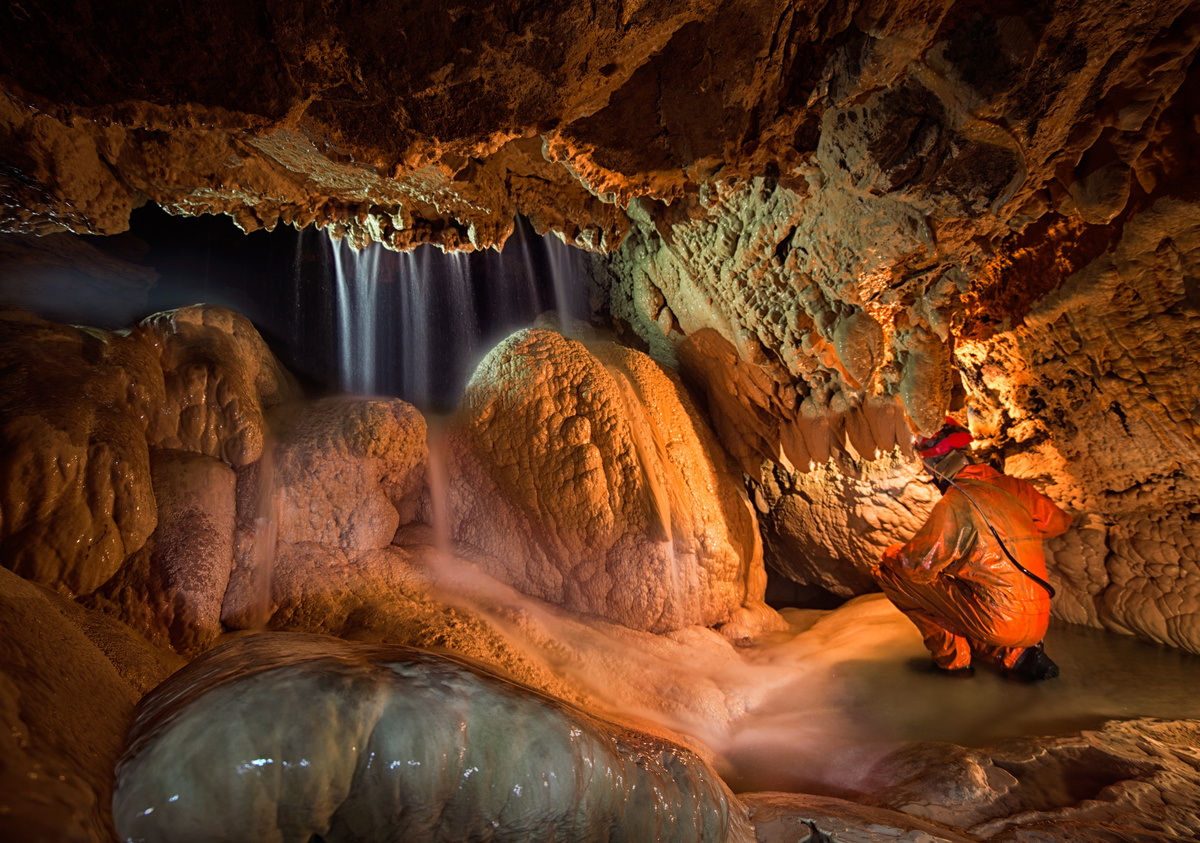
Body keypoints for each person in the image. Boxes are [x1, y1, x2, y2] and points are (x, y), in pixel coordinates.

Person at [872, 417, 1072, 680]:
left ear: (938, 466)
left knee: (892, 571)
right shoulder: (1017, 488)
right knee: (964, 589)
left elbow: (917, 567)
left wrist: (895, 556)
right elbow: (1059, 523)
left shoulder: (956, 503)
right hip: (1040, 620)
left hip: (999, 623)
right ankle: (1013, 657)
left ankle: (954, 664)